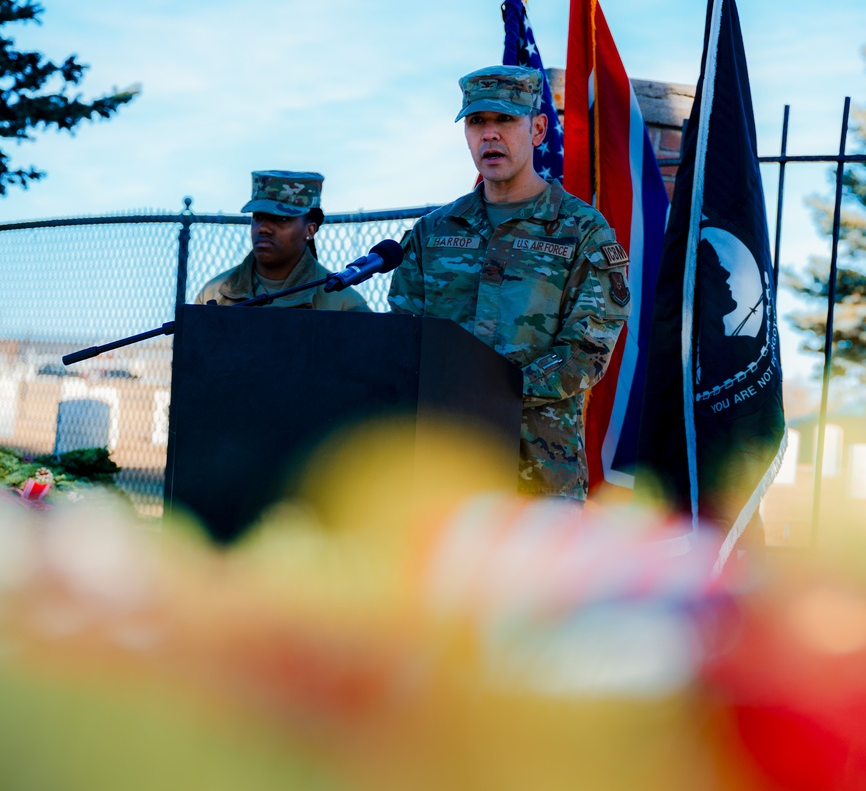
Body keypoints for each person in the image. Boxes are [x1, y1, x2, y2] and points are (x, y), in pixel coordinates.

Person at [388, 65, 630, 499]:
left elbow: (586, 350)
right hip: (444, 468)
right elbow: (405, 339)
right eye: (477, 121)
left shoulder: (581, 231)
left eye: (505, 120)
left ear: (537, 129)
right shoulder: (433, 231)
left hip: (538, 476)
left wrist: (491, 392)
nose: (490, 134)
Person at [195, 170, 371, 312]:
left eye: (281, 219)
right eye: (258, 217)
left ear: (310, 230)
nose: (263, 228)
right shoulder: (215, 293)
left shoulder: (343, 304)